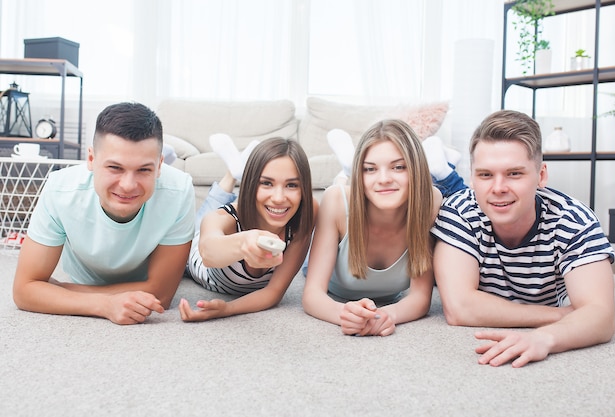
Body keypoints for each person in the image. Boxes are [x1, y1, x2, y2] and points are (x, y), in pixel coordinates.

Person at [431, 109, 615, 367]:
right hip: (551, 308)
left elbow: (601, 316)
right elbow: (459, 308)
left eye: (514, 174)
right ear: (472, 178)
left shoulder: (574, 222)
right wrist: (560, 316)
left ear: (541, 176)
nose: (498, 188)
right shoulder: (460, 211)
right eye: (485, 175)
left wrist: (545, 338)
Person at [12, 102, 195, 325]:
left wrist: (63, 292)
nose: (128, 185)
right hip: (86, 278)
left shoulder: (179, 189)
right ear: (91, 159)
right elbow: (24, 290)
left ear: (159, 166)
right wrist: (104, 305)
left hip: (84, 284)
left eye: (144, 169)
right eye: (115, 168)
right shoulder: (60, 189)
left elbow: (160, 295)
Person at [301, 119, 443, 336]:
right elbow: (312, 295)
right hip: (328, 265)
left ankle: (347, 168)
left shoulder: (430, 201)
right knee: (337, 189)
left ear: (416, 169)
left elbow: (420, 297)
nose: (384, 179)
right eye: (370, 169)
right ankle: (344, 173)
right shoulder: (335, 202)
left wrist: (387, 316)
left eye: (398, 167)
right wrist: (344, 314)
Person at [178, 135, 317, 321]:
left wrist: (227, 309)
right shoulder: (223, 218)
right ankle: (231, 175)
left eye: (291, 185)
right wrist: (244, 242)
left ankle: (233, 173)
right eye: (266, 183)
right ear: (251, 184)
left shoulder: (307, 212)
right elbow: (208, 252)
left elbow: (273, 292)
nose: (278, 197)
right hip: (194, 254)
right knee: (203, 218)